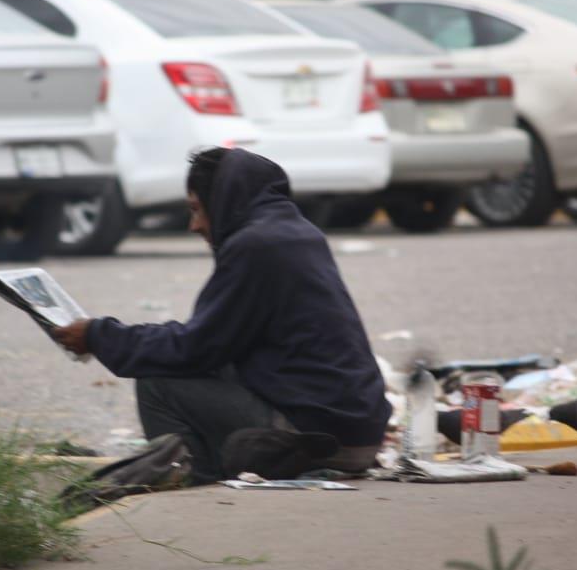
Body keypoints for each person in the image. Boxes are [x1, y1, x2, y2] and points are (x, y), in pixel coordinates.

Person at [53, 147, 389, 484]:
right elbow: (215, 340)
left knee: (158, 381)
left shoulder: (255, 246)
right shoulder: (298, 232)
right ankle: (208, 467)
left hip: (322, 442)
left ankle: (189, 479)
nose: (194, 226)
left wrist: (98, 335)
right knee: (209, 365)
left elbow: (193, 348)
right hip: (357, 434)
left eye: (198, 210)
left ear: (225, 200)